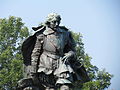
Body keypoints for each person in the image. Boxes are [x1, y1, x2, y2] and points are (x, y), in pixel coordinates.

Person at [19, 13, 89, 90]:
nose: (56, 24)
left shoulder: (65, 33)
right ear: (48, 22)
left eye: (58, 22)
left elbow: (72, 50)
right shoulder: (42, 34)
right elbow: (35, 53)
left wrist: (70, 54)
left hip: (61, 63)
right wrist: (33, 71)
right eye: (54, 22)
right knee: (50, 88)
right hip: (45, 64)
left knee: (66, 87)